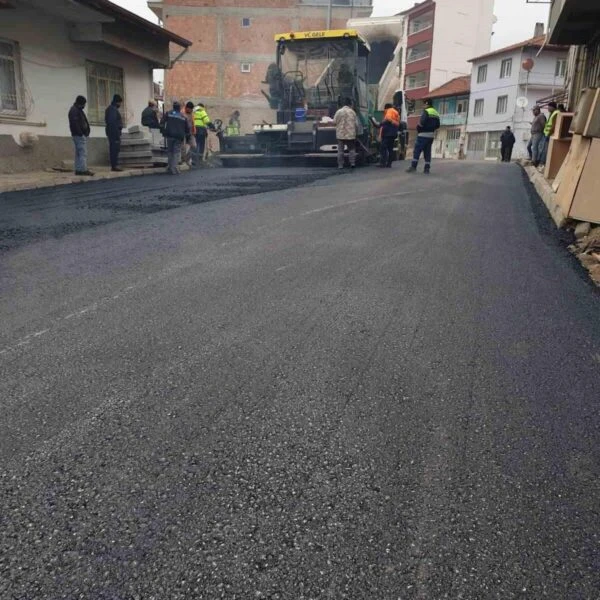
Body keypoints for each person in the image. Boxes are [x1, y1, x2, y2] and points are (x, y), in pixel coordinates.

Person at [407, 99, 440, 174]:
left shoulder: (427, 111)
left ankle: (413, 167)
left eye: (424, 104)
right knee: (427, 152)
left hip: (423, 135)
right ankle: (427, 168)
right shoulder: (436, 113)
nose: (423, 106)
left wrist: (418, 128)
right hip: (431, 136)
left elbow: (421, 123)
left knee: (417, 150)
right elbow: (438, 125)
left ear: (427, 104)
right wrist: (431, 129)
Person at [161, 101, 190, 175]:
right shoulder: (183, 116)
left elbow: (162, 122)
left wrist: (163, 131)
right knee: (176, 152)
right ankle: (174, 168)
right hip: (178, 136)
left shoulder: (168, 113)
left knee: (170, 151)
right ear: (179, 108)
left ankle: (170, 167)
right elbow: (187, 128)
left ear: (173, 107)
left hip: (169, 135)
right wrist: (187, 136)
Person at [68, 95, 93, 176]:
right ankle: (82, 169)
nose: (84, 106)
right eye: (84, 104)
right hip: (78, 135)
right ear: (80, 103)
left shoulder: (77, 110)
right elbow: (75, 123)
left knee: (79, 153)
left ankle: (79, 169)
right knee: (83, 152)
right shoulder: (74, 110)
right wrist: (81, 133)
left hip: (79, 134)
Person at [333, 97, 358, 170]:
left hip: (340, 134)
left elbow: (334, 122)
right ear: (350, 104)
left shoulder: (338, 112)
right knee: (351, 149)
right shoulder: (352, 112)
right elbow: (356, 124)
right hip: (350, 134)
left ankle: (340, 165)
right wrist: (356, 132)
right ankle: (352, 163)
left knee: (340, 150)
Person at [377, 103, 400, 168]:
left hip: (388, 133)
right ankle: (389, 164)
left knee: (383, 147)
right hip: (393, 133)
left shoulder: (389, 111)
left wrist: (381, 123)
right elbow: (398, 123)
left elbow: (388, 118)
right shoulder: (396, 112)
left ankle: (383, 163)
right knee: (390, 149)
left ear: (386, 108)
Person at [105, 94, 123, 172]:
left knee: (114, 149)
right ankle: (114, 166)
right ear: (117, 102)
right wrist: (116, 134)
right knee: (114, 149)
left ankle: (114, 165)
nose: (120, 105)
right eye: (120, 103)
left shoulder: (111, 109)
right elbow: (112, 123)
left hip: (112, 132)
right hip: (114, 133)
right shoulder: (112, 110)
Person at [539, 102, 560, 169]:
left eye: (549, 107)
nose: (548, 108)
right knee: (543, 149)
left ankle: (542, 164)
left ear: (553, 107)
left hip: (549, 134)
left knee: (545, 150)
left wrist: (549, 134)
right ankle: (542, 163)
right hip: (546, 133)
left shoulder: (556, 113)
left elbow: (553, 125)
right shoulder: (552, 113)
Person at [183, 101, 197, 166]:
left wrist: (194, 131)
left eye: (192, 109)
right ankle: (184, 161)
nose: (191, 110)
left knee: (194, 146)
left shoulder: (192, 114)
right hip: (184, 133)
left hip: (191, 133)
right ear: (187, 108)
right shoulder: (182, 113)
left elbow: (193, 123)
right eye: (190, 109)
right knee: (184, 148)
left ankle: (186, 159)